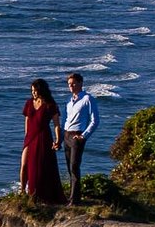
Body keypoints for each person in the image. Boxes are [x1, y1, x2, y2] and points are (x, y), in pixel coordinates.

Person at [20, 78, 63, 206]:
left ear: (41, 90)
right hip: (30, 137)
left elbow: (56, 124)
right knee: (24, 164)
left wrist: (58, 139)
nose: (33, 93)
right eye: (32, 91)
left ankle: (40, 194)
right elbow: (27, 121)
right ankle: (23, 191)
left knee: (42, 166)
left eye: (35, 90)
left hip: (44, 136)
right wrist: (27, 137)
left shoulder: (50, 104)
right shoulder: (29, 103)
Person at [59, 72, 99, 204]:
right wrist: (60, 136)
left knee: (75, 166)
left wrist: (83, 136)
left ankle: (75, 200)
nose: (71, 86)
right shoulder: (69, 102)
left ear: (81, 83)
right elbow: (65, 119)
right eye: (69, 84)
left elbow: (95, 120)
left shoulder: (87, 99)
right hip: (67, 134)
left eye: (74, 83)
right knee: (70, 168)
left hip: (77, 135)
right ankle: (72, 196)